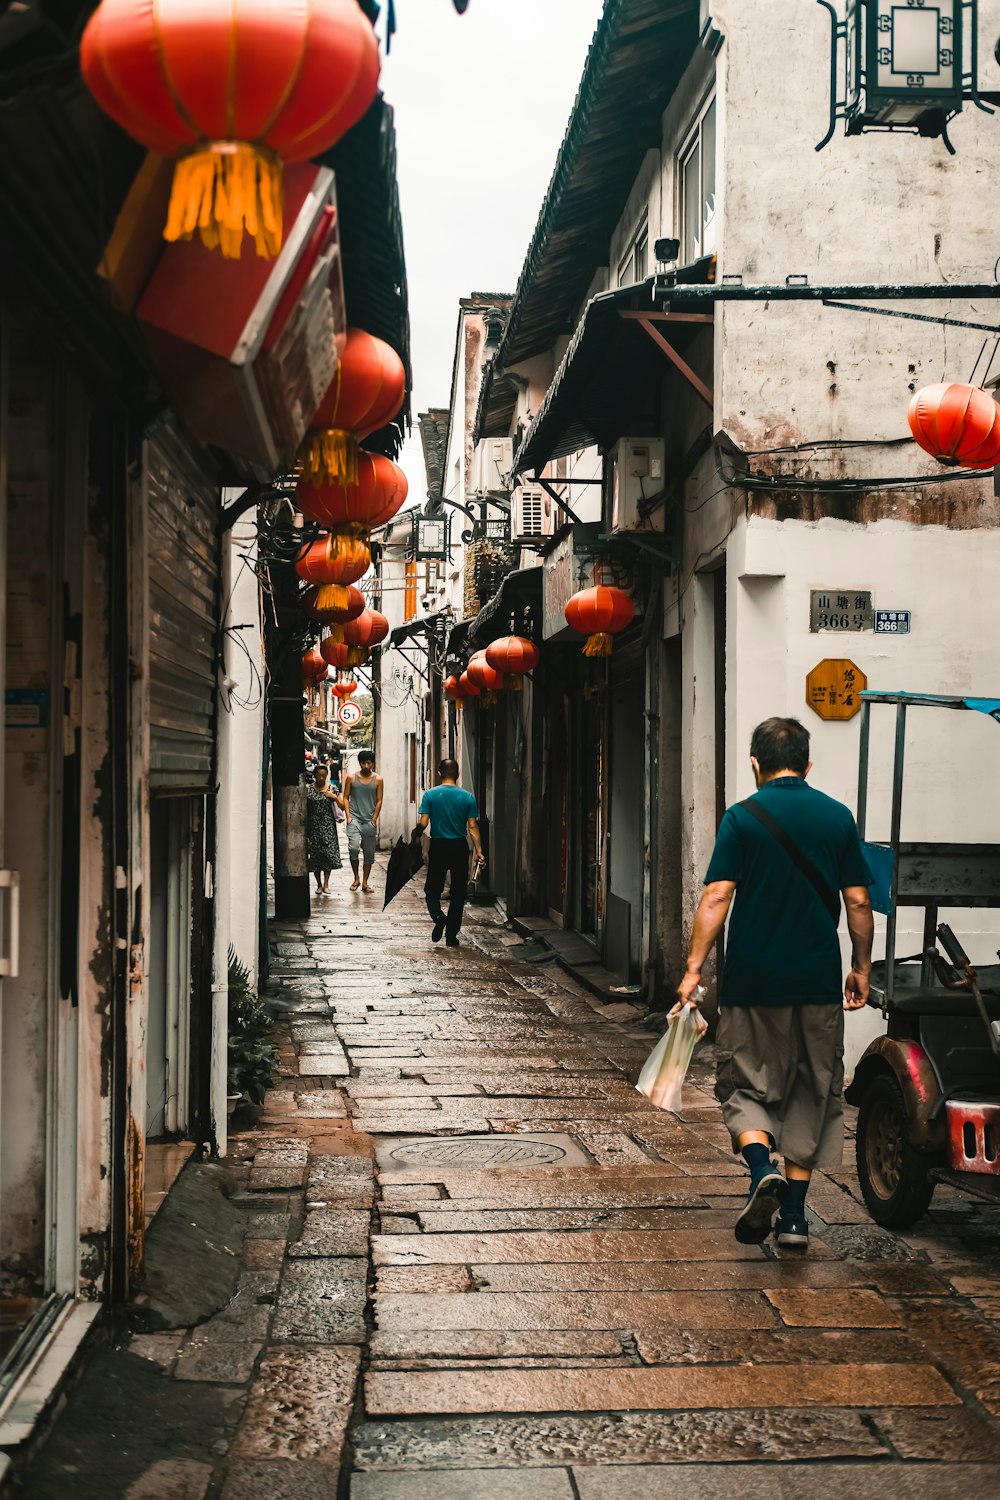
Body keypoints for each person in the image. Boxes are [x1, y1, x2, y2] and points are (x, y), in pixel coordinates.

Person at [677, 716, 873, 1251]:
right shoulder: (837, 818)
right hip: (814, 981)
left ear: (755, 764)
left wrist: (695, 969)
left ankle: (761, 1167)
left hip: (752, 981)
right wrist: (861, 966)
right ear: (808, 764)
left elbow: (717, 895)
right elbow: (858, 901)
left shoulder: (742, 818)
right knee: (812, 1089)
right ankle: (792, 1220)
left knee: (744, 1084)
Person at [418, 758, 483, 948]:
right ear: (458, 774)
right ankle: (451, 936)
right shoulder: (468, 797)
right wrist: (478, 850)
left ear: (439, 773)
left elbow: (423, 823)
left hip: (438, 846)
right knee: (458, 892)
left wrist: (416, 835)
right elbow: (472, 826)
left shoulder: (430, 795)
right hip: (459, 847)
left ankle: (438, 916)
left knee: (432, 889)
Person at [344, 751, 383, 893]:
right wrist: (348, 817)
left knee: (369, 852)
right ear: (359, 763)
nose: (367, 765)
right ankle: (356, 878)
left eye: (369, 762)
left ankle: (365, 882)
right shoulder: (351, 778)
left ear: (373, 763)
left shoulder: (378, 779)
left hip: (369, 821)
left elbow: (379, 800)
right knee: (353, 848)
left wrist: (374, 819)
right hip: (354, 818)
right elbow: (346, 797)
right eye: (364, 763)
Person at [305, 765, 343, 894]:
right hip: (313, 826)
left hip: (328, 827)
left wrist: (335, 797)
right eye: (319, 775)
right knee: (315, 856)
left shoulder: (332, 789)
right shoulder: (307, 790)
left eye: (324, 775)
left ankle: (326, 883)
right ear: (314, 776)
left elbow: (342, 806)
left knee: (328, 855)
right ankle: (319, 884)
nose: (321, 778)